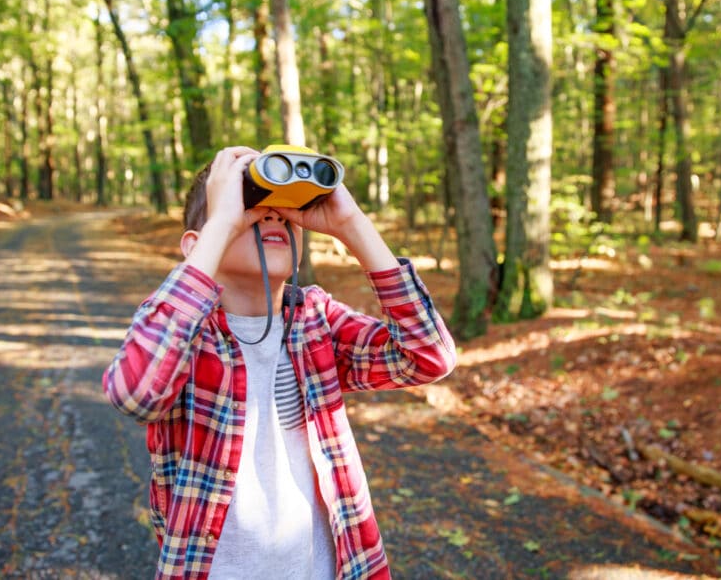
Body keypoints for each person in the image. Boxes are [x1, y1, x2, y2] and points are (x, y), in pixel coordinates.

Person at [103, 146, 457, 580]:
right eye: (252, 209)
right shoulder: (185, 331)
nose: (272, 218)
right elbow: (136, 394)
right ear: (200, 244)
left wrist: (351, 224)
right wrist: (222, 223)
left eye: (286, 214)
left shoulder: (314, 319)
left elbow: (428, 357)